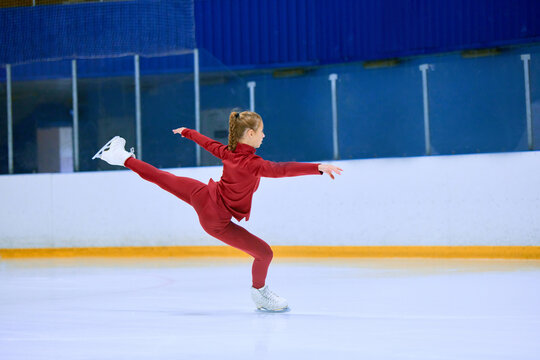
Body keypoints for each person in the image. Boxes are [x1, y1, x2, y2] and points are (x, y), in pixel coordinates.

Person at [93, 110, 343, 311]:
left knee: (162, 178)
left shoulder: (229, 152)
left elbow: (208, 143)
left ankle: (120, 157)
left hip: (204, 196)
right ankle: (260, 294)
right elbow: (280, 169)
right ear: (251, 133)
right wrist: (317, 167)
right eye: (262, 132)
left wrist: (188, 132)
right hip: (216, 219)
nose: (264, 136)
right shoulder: (252, 163)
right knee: (264, 253)